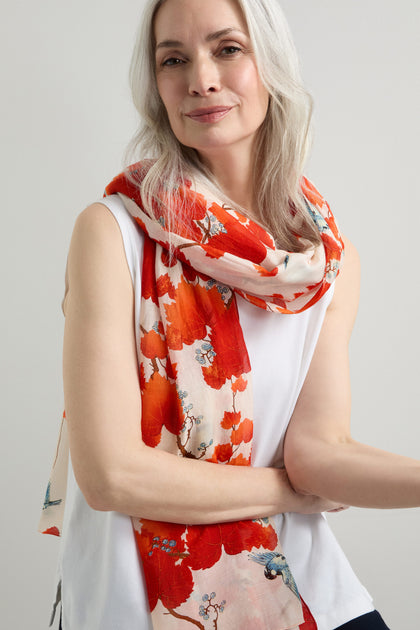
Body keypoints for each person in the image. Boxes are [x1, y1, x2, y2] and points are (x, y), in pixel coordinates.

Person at [38, 0, 420, 629]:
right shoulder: (112, 234)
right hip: (135, 601)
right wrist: (286, 489)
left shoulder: (325, 263)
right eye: (174, 60)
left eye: (228, 49)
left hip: (300, 582)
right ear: (156, 84)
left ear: (271, 63)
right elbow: (110, 475)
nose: (201, 78)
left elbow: (320, 453)